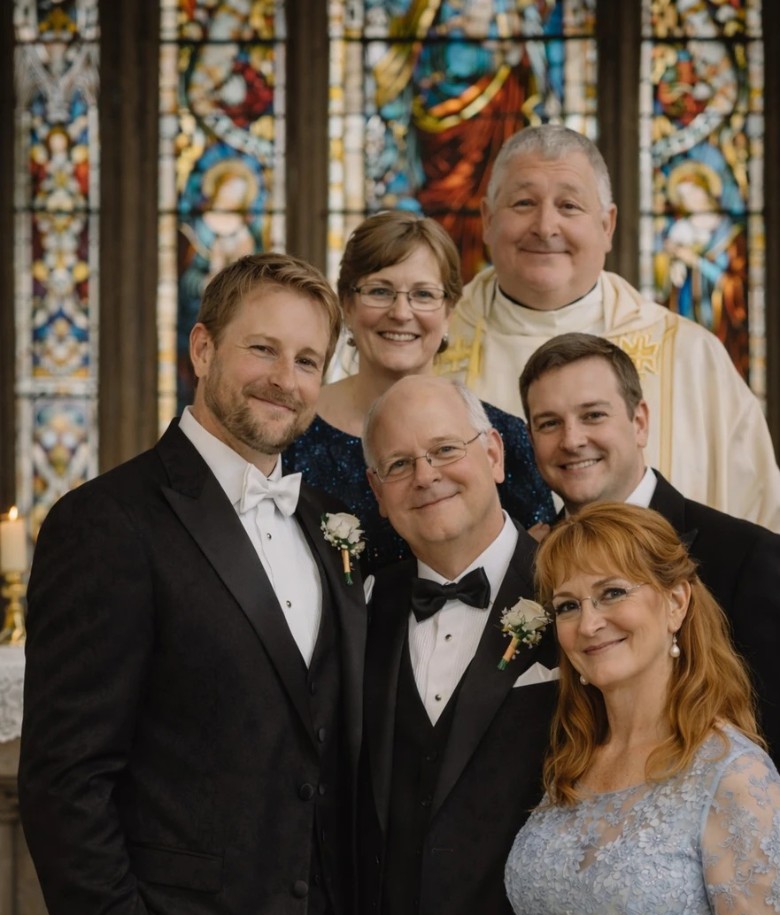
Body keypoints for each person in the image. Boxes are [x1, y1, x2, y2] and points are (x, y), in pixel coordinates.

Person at [18, 254, 367, 915]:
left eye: (306, 359)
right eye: (262, 348)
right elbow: (66, 775)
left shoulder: (330, 524)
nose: (285, 379)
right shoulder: (109, 521)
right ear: (201, 348)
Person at [503, 502, 780, 915]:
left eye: (613, 594)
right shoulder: (568, 762)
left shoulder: (735, 775)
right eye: (567, 606)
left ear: (677, 601)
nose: (589, 623)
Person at [339, 374, 558, 915]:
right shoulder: (356, 609)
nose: (425, 475)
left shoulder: (578, 598)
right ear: (376, 491)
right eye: (398, 465)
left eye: (444, 450)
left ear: (495, 453)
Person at [440, 124, 780, 530]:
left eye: (569, 206)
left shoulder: (690, 356)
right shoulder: (431, 348)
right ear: (487, 219)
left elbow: (760, 525)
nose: (546, 226)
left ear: (607, 225)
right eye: (523, 203)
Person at [519, 331, 780, 761]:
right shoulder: (525, 560)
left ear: (639, 421)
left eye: (593, 415)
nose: (571, 440)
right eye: (549, 423)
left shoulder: (747, 557)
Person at [284, 211, 553, 570]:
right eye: (380, 291)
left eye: (423, 295)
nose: (400, 312)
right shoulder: (292, 434)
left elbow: (538, 567)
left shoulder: (502, 437)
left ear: (449, 312)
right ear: (347, 305)